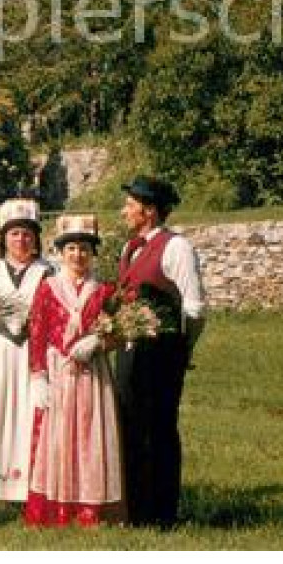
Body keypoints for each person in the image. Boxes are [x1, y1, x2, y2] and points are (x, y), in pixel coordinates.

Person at [113, 176, 206, 528]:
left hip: (162, 352)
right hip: (128, 350)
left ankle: (163, 512)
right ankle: (135, 509)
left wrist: (184, 348)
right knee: (130, 426)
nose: (124, 210)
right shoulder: (129, 247)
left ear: (148, 211)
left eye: (130, 205)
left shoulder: (177, 247)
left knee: (159, 428)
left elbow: (195, 308)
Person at [25, 213, 123, 527]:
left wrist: (100, 340)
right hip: (59, 373)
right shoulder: (48, 288)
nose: (77, 255)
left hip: (92, 374)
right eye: (71, 249)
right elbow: (37, 333)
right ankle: (58, 507)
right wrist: (37, 374)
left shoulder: (105, 291)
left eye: (84, 248)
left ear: (93, 253)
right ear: (60, 253)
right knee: (58, 438)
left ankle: (90, 507)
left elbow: (121, 331)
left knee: (91, 436)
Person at [0, 197, 54, 503]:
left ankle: (28, 484)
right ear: (3, 237)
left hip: (33, 353)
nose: (21, 239)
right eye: (14, 233)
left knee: (29, 414)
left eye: (27, 233)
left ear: (36, 237)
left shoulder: (48, 272)